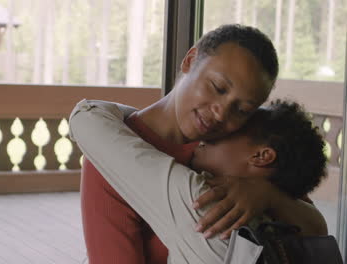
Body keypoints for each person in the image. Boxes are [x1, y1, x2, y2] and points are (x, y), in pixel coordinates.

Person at [76, 24, 327, 264]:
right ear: (190, 60)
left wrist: (267, 196)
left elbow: (314, 228)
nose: (220, 113)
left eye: (241, 109)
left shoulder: (235, 152)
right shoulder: (113, 149)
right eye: (217, 87)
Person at [69, 99, 328, 263]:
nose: (215, 129)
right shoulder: (278, 217)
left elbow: (89, 117)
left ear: (261, 156)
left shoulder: (207, 203)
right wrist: (268, 195)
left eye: (233, 129)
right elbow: (316, 224)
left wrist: (157, 111)